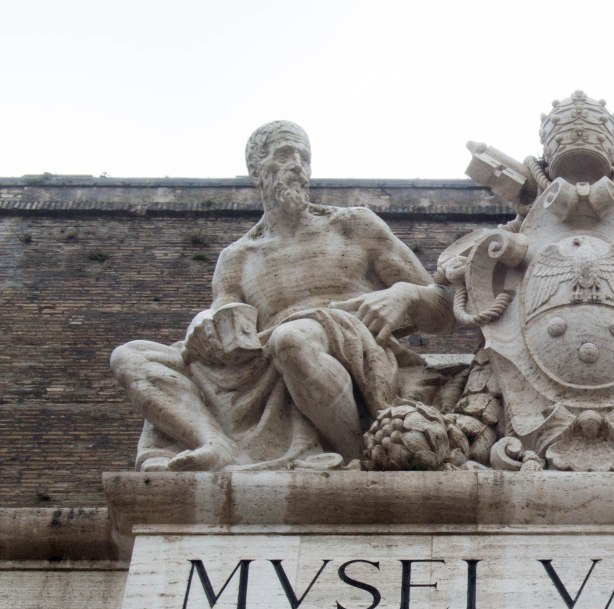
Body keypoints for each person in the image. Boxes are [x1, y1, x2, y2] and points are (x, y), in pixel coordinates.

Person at [111, 121, 453, 470]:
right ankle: (215, 443)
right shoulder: (237, 256)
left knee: (292, 339)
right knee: (130, 357)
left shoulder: (353, 225)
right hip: (263, 360)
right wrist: (202, 325)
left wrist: (405, 294)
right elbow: (225, 322)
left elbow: (444, 308)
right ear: (256, 169)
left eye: (304, 157)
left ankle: (356, 455)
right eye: (285, 154)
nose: (298, 166)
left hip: (344, 343)